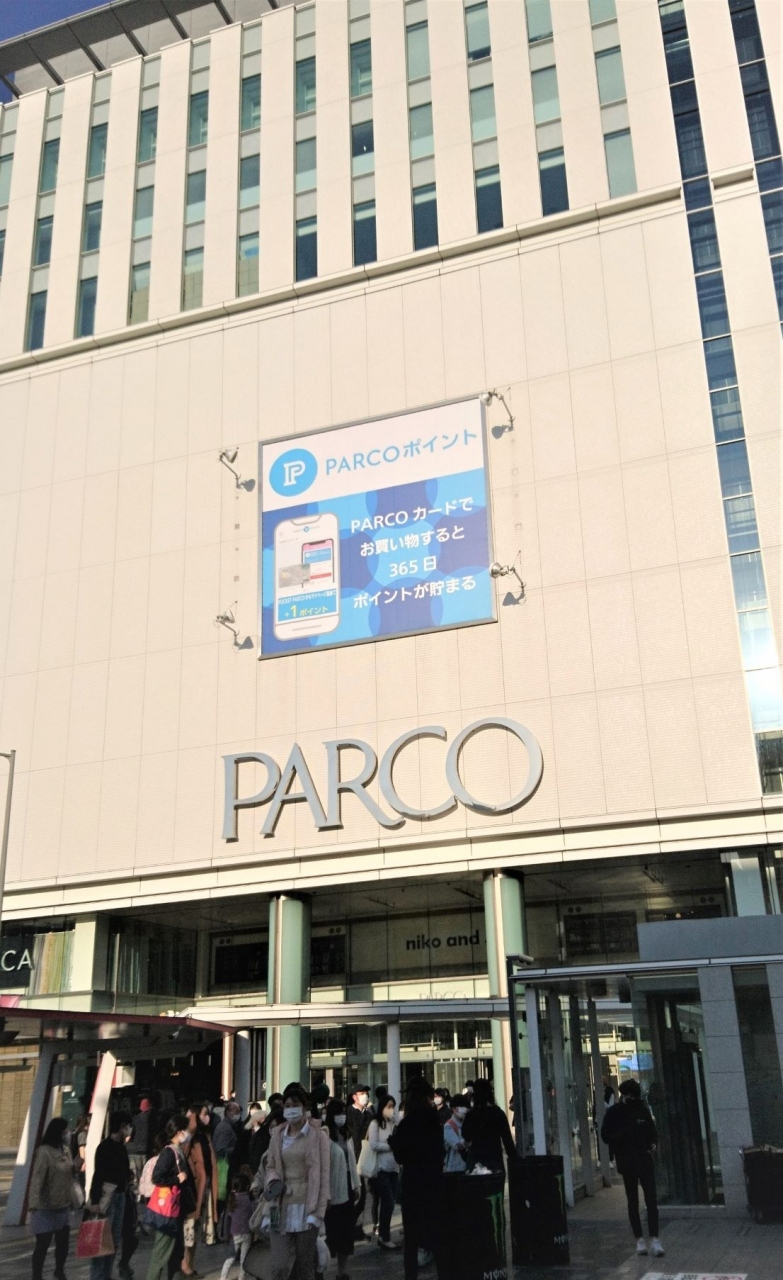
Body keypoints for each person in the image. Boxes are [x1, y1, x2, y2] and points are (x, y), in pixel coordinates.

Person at [261, 1083, 330, 1280]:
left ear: (304, 1107)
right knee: (279, 1265)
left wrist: (318, 1211)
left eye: (295, 1105)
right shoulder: (277, 1135)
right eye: (287, 1105)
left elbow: (323, 1174)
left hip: (307, 1205)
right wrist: (273, 1181)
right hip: (277, 1203)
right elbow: (270, 1166)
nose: (291, 1109)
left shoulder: (318, 1135)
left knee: (304, 1264)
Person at [601, 1079, 664, 1259]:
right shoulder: (615, 1113)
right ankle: (640, 1239)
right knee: (633, 1200)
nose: (633, 1099)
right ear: (625, 1095)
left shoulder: (641, 1109)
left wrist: (653, 1144)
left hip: (642, 1159)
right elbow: (605, 1136)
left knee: (651, 1200)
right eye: (631, 1096)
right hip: (628, 1160)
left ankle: (653, 1239)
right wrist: (623, 1136)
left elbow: (652, 1132)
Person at [388, 1078, 443, 1279]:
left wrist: (395, 1143)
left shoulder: (407, 1124)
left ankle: (411, 1276)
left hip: (412, 1184)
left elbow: (401, 1157)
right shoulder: (434, 1121)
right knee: (436, 1234)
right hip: (433, 1183)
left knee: (411, 1239)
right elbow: (439, 1152)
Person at [144, 1115, 193, 1280]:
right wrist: (177, 1179)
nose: (188, 1133)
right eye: (186, 1130)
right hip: (168, 1213)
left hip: (176, 1211)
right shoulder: (169, 1152)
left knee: (176, 1254)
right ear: (179, 1132)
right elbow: (157, 1177)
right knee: (161, 1254)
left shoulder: (177, 1151)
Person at [29, 1116, 77, 1280]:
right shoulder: (44, 1152)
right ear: (58, 1132)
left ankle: (59, 1271)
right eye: (65, 1130)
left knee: (63, 1243)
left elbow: (68, 1171)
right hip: (46, 1206)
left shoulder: (66, 1150)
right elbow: (37, 1178)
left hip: (63, 1204)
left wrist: (76, 1167)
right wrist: (34, 1204)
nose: (67, 1133)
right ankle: (37, 1276)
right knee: (42, 1244)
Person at [88, 1112, 133, 1280]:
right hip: (107, 1197)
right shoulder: (105, 1147)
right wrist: (94, 1200)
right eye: (128, 1126)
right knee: (102, 1239)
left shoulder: (121, 1146)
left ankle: (106, 1274)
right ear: (121, 1126)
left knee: (114, 1239)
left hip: (121, 1195)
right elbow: (98, 1174)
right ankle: (98, 1276)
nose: (129, 1130)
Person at [323, 1099, 360, 1280]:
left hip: (348, 1186)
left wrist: (357, 1184)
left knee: (346, 1232)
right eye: (338, 1113)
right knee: (332, 1232)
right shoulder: (325, 1136)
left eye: (343, 1113)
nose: (342, 1117)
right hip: (333, 1188)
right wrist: (326, 1193)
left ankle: (341, 1271)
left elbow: (352, 1162)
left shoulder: (346, 1135)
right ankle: (323, 1269)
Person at [183, 1101, 219, 1275]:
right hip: (193, 1188)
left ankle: (189, 1264)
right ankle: (185, 1264)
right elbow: (183, 1152)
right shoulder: (190, 1136)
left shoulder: (205, 1135)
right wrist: (191, 1124)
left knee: (196, 1228)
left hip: (205, 1187)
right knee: (189, 1228)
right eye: (204, 1113)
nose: (208, 1117)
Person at [461, 1079, 516, 1177]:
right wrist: (515, 1160)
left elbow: (466, 1136)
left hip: (476, 1161)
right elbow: (508, 1141)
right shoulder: (498, 1113)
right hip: (495, 1160)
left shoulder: (471, 1115)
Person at [368, 1094, 399, 1251]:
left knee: (390, 1203)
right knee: (388, 1202)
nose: (391, 1109)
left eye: (393, 1106)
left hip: (393, 1168)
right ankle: (384, 1237)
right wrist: (391, 1146)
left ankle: (384, 1236)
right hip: (380, 1169)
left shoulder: (394, 1123)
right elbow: (373, 1144)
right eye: (388, 1106)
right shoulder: (375, 1124)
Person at [345, 1084, 372, 1240]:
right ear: (354, 1096)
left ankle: (357, 1228)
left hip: (365, 1157)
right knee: (357, 1195)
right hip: (354, 1158)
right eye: (362, 1093)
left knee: (362, 1198)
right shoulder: (350, 1113)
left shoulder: (367, 1114)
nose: (365, 1096)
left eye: (366, 1093)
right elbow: (355, 1133)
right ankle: (352, 1229)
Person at [219, 1171, 254, 1280]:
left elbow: (227, 1219)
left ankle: (223, 1278)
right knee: (244, 1259)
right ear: (247, 1186)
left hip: (234, 1234)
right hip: (247, 1233)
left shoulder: (232, 1200)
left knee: (230, 1258)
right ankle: (241, 1278)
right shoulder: (249, 1200)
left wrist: (226, 1235)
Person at [443, 1094, 471, 1173]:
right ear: (453, 1109)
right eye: (462, 1106)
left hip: (467, 1168)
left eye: (466, 1107)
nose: (465, 1109)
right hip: (454, 1168)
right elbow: (458, 1146)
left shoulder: (468, 1124)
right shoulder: (448, 1126)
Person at [127, 1098, 152, 1183]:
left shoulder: (135, 1119)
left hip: (135, 1150)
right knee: (146, 1173)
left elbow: (130, 1135)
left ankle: (138, 1187)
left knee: (137, 1174)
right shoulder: (151, 1120)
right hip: (146, 1150)